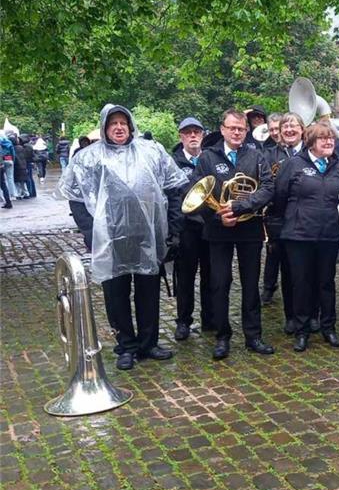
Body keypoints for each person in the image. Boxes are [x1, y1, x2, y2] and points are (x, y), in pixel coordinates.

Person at [59, 105, 188, 370]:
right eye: (113, 123)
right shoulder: (89, 158)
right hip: (111, 239)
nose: (119, 128)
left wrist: (174, 230)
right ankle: (126, 345)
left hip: (147, 236)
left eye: (123, 123)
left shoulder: (151, 152)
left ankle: (149, 342)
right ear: (105, 127)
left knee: (148, 291)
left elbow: (174, 188)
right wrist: (90, 232)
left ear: (131, 126)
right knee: (115, 295)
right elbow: (76, 197)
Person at [190, 108, 277, 359]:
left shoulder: (256, 155)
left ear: (246, 130)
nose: (237, 132)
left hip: (249, 228)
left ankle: (253, 336)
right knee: (219, 284)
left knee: (251, 284)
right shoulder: (207, 157)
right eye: (232, 128)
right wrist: (218, 215)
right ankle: (222, 336)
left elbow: (267, 188)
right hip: (219, 230)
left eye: (241, 128)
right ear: (223, 129)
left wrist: (239, 207)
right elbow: (197, 192)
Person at [272, 121, 339, 352]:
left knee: (326, 283)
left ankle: (328, 328)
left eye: (331, 138)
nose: (329, 142)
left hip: (328, 235)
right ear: (311, 143)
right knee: (301, 284)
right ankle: (301, 330)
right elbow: (279, 197)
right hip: (299, 236)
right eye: (323, 138)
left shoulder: (338, 167)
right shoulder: (294, 165)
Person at [171, 116, 214, 340]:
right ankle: (183, 321)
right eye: (188, 132)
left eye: (196, 132)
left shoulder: (210, 159)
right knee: (186, 278)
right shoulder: (173, 162)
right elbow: (170, 197)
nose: (193, 136)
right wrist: (174, 231)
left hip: (210, 227)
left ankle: (209, 318)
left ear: (203, 135)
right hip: (187, 229)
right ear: (181, 136)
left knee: (211, 275)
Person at [261, 112, 306, 325]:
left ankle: (311, 314)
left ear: (302, 129)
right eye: (285, 127)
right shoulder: (268, 155)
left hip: (307, 220)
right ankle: (291, 316)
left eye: (293, 126)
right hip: (280, 221)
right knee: (287, 271)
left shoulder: (310, 151)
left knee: (308, 271)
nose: (288, 130)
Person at [0, 131, 14, 209]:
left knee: (3, 184)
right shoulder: (4, 144)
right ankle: (8, 202)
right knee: (4, 185)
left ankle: (7, 202)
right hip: (1, 166)